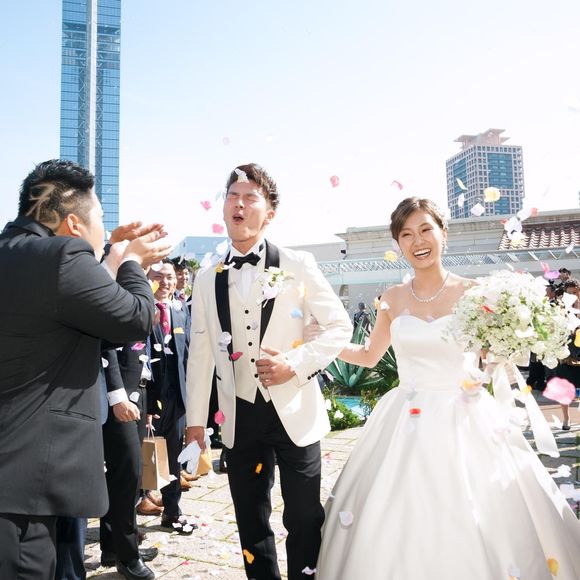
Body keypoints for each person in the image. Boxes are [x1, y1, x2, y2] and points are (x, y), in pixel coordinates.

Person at [316, 197, 580, 579]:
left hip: (465, 414)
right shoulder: (391, 299)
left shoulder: (476, 293)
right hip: (405, 416)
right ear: (398, 243)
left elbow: (493, 354)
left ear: (443, 233)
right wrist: (326, 343)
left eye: (426, 229)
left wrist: (512, 342)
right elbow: (370, 355)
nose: (418, 241)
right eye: (407, 234)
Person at [0, 159, 171, 580]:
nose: (103, 227)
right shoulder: (61, 256)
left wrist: (111, 253)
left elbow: (72, 317)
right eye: (101, 217)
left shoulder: (16, 254)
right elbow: (134, 319)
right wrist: (132, 264)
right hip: (24, 483)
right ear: (74, 224)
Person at [185, 163, 352, 579]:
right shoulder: (205, 278)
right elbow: (200, 354)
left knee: (304, 517)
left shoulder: (298, 263)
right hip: (239, 412)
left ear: (269, 213)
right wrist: (195, 423)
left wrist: (294, 364)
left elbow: (339, 326)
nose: (239, 204)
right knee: (250, 519)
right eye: (232, 196)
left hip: (294, 408)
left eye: (250, 197)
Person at [146, 260, 196, 533]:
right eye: (158, 276)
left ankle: (172, 510)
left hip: (176, 395)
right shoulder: (141, 306)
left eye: (169, 277)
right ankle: (135, 507)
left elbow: (187, 352)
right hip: (148, 396)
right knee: (144, 454)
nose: (164, 282)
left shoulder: (180, 309)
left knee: (173, 455)